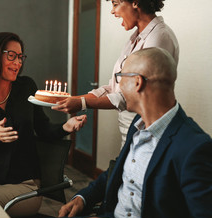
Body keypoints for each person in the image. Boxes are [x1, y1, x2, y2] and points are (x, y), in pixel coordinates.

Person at [30, 47, 212, 218]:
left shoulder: (194, 146)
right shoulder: (137, 123)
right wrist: (83, 198)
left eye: (120, 77)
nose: (117, 87)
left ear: (137, 82)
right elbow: (119, 170)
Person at [0, 32, 87, 217]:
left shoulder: (26, 87)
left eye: (20, 57)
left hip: (25, 186)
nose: (18, 62)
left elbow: (43, 129)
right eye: (12, 56)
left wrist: (65, 127)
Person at [52, 0, 179, 146]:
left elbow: (135, 95)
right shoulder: (134, 39)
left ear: (135, 3)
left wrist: (81, 103)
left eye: (115, 3)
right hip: (129, 131)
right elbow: (114, 88)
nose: (112, 11)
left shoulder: (159, 37)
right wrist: (73, 100)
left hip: (147, 132)